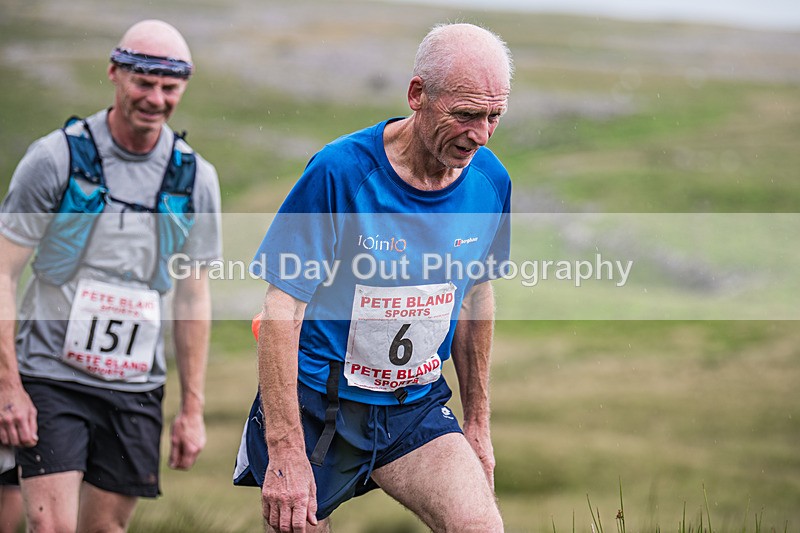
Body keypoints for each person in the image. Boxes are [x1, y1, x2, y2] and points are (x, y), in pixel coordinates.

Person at [234, 23, 513, 532]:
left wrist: (478, 423)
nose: (481, 134)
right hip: (321, 406)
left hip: (414, 404)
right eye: (467, 115)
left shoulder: (492, 181)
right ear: (417, 95)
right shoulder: (339, 172)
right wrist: (285, 449)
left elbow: (476, 298)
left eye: (495, 116)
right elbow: (281, 309)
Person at [0, 19, 221, 532]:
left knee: (105, 529)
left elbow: (192, 298)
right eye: (143, 82)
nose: (155, 98)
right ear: (114, 73)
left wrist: (192, 409)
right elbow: (4, 273)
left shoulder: (194, 178)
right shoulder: (55, 158)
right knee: (52, 527)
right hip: (52, 376)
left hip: (136, 385)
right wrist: (8, 385)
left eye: (169, 87)